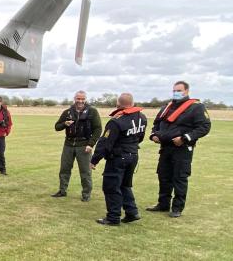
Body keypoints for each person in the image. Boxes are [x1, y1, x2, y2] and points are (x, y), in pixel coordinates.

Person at [146, 81, 211, 218]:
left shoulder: (196, 107)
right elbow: (156, 124)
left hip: (182, 148)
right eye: (174, 90)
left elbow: (204, 127)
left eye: (179, 90)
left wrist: (185, 138)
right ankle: (163, 204)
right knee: (163, 176)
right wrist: (154, 135)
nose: (176, 92)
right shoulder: (166, 107)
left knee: (179, 177)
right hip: (166, 148)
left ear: (187, 91)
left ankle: (177, 208)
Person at [90, 93, 147, 225]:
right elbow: (140, 137)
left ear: (118, 104)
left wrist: (94, 160)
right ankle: (132, 212)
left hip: (118, 157)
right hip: (133, 155)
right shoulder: (142, 117)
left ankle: (113, 217)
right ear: (132, 103)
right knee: (124, 185)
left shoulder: (116, 121)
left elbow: (105, 142)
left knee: (111, 186)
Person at [51, 90, 102, 201]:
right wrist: (65, 123)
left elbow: (98, 129)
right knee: (64, 169)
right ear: (74, 99)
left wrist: (91, 144)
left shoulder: (92, 112)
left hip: (84, 145)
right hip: (68, 144)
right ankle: (62, 190)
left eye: (82, 99)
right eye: (78, 99)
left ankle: (86, 195)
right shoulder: (67, 112)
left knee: (85, 172)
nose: (80, 101)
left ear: (85, 99)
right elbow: (57, 127)